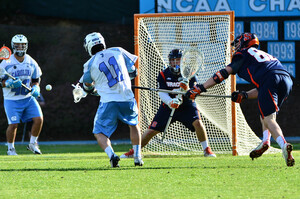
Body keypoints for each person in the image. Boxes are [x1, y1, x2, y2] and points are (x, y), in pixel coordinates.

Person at [185, 33, 294, 167]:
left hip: (270, 79)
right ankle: (266, 141)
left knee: (269, 118)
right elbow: (261, 90)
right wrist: (245, 95)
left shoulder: (243, 54)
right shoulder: (263, 55)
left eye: (237, 43)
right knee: (266, 114)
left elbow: (222, 74)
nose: (235, 47)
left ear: (244, 42)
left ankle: (284, 145)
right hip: (286, 80)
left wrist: (200, 88)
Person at [121, 49, 216, 158]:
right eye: (173, 60)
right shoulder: (163, 74)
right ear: (169, 61)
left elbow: (192, 92)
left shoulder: (190, 73)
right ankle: (134, 151)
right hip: (167, 107)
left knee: (198, 123)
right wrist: (171, 102)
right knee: (151, 131)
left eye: (177, 60)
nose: (175, 63)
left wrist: (186, 89)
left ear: (182, 61)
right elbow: (162, 93)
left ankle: (207, 150)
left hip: (186, 106)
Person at [80, 32, 143, 167]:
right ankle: (137, 156)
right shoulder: (118, 50)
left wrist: (90, 91)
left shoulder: (89, 64)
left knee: (99, 132)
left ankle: (112, 155)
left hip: (108, 101)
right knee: (133, 124)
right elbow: (133, 72)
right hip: (127, 97)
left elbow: (87, 86)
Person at [0, 34, 43, 155]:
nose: (20, 47)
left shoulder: (30, 61)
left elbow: (36, 79)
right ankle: (10, 149)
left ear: (27, 46)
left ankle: (32, 144)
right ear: (13, 46)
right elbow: (0, 81)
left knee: (39, 119)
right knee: (13, 124)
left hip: (27, 98)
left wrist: (36, 88)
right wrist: (8, 83)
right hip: (11, 99)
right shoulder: (5, 62)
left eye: (22, 45)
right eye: (17, 45)